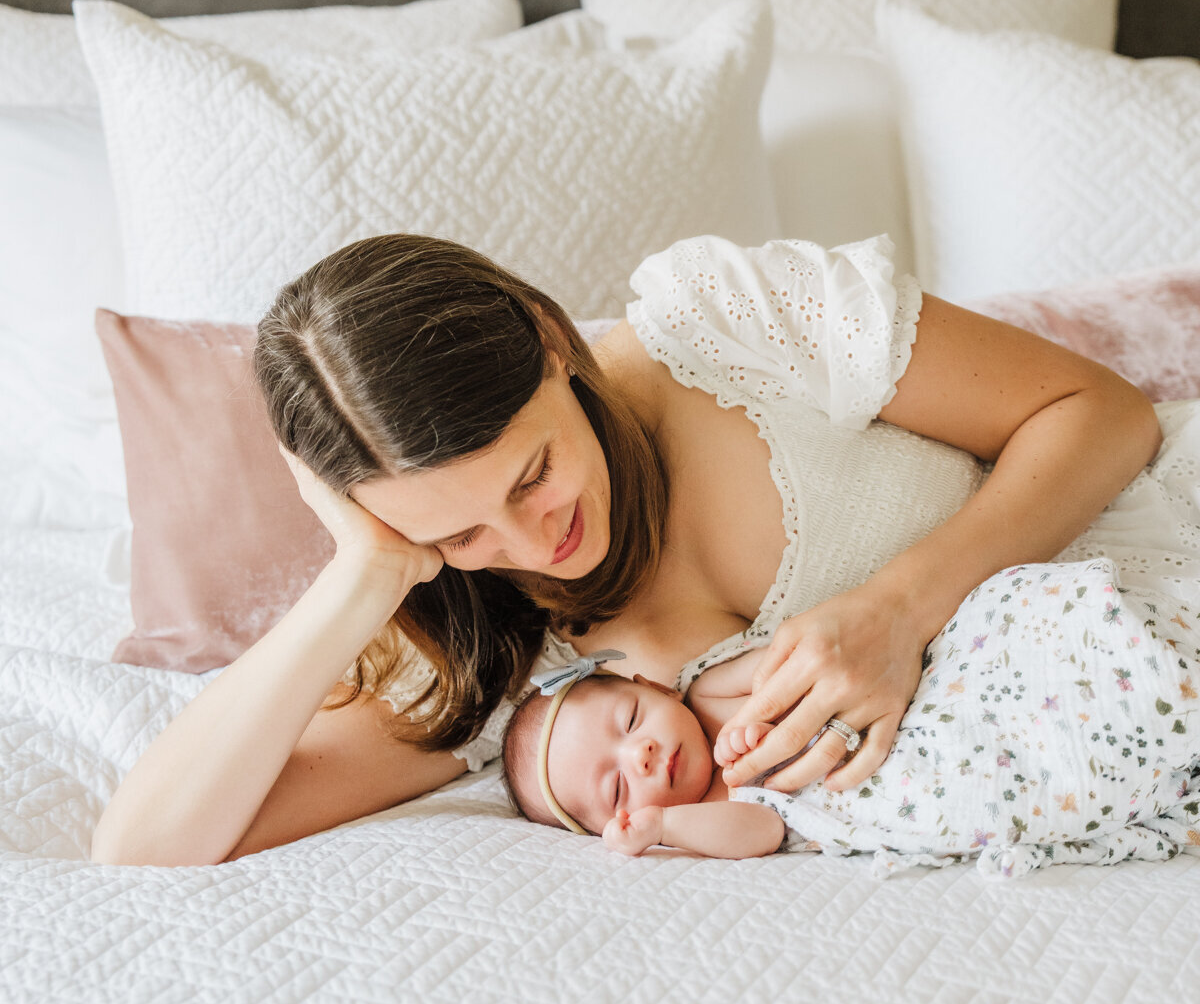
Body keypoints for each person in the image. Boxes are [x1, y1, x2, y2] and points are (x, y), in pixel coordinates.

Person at [91, 230, 1181, 869]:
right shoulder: (490, 643)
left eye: (532, 475)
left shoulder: (725, 321)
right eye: (458, 528)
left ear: (554, 341)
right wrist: (366, 574)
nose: (533, 545)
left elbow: (1102, 415)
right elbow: (145, 849)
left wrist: (904, 606)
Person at [502, 561, 1200, 879]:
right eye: (620, 791)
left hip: (951, 689)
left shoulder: (709, 685)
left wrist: (757, 710)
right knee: (1081, 765)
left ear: (648, 683)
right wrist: (665, 827)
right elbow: (761, 828)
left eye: (629, 721)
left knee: (1099, 665)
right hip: (942, 772)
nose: (643, 758)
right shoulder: (723, 807)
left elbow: (792, 658)